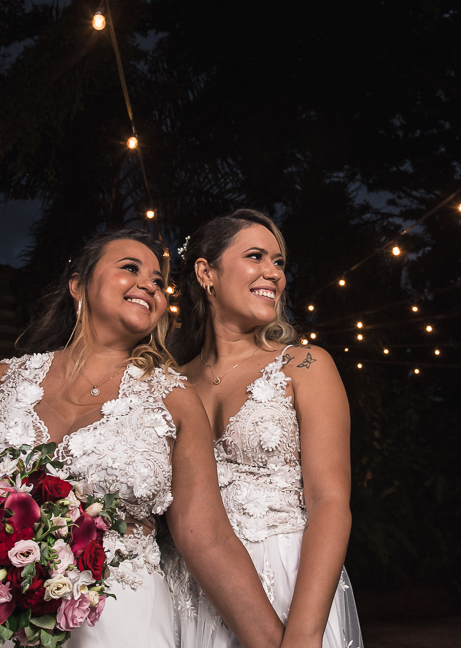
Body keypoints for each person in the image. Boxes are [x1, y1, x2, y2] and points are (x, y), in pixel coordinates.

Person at [0, 229, 284, 648]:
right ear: (78, 284)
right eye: (130, 268)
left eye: (159, 282)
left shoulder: (174, 400)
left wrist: (277, 643)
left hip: (121, 625)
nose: (149, 284)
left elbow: (208, 538)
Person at [166, 210, 362, 648]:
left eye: (279, 263)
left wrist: (305, 633)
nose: (273, 274)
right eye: (256, 257)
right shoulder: (169, 383)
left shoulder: (305, 365)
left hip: (289, 585)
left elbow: (330, 501)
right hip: (189, 591)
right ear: (206, 273)